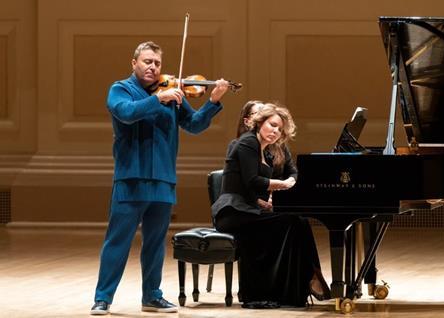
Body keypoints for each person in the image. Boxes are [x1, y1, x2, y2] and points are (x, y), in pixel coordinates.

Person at [90, 41, 229, 315]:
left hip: (163, 180)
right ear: (134, 63)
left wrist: (213, 101)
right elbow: (126, 113)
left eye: (157, 63)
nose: (153, 67)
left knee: (155, 244)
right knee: (117, 242)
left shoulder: (171, 92)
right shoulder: (121, 89)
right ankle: (103, 298)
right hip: (131, 179)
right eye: (147, 61)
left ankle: (152, 296)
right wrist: (157, 100)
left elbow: (195, 125)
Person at [212, 103, 330, 308]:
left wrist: (278, 191)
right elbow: (252, 181)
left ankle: (295, 286)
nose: (275, 131)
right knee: (294, 220)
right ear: (260, 123)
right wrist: (283, 185)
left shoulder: (265, 150)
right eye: (272, 125)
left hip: (248, 210)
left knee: (297, 221)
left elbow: (264, 183)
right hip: (232, 213)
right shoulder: (247, 142)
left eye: (279, 129)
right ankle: (310, 276)